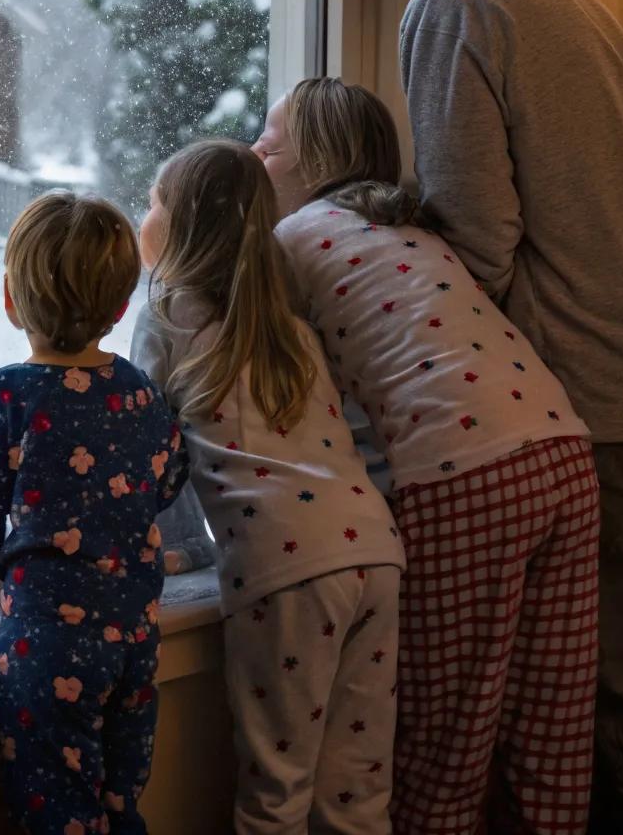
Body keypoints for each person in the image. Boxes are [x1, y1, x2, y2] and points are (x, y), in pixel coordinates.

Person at [360, 0, 623, 835]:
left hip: (604, 387)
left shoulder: (453, 7)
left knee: (621, 688)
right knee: (593, 687)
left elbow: (476, 234)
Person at [255, 76, 600, 834]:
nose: (255, 154)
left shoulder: (293, 240)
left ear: (314, 162)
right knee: (552, 722)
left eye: (269, 145)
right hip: (563, 451)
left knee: (447, 733)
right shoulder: (412, 230)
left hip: (464, 476)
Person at [0, 191, 188, 835]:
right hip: (135, 638)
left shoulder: (8, 393)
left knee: (59, 817)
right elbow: (168, 478)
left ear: (10, 299)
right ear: (121, 305)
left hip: (51, 649)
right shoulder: (138, 390)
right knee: (118, 803)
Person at [134, 139, 405, 835]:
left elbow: (148, 460)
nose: (144, 213)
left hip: (287, 570)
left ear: (181, 225)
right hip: (375, 552)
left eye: (153, 201)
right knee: (357, 794)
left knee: (275, 797)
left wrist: (168, 548)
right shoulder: (293, 331)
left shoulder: (168, 320)